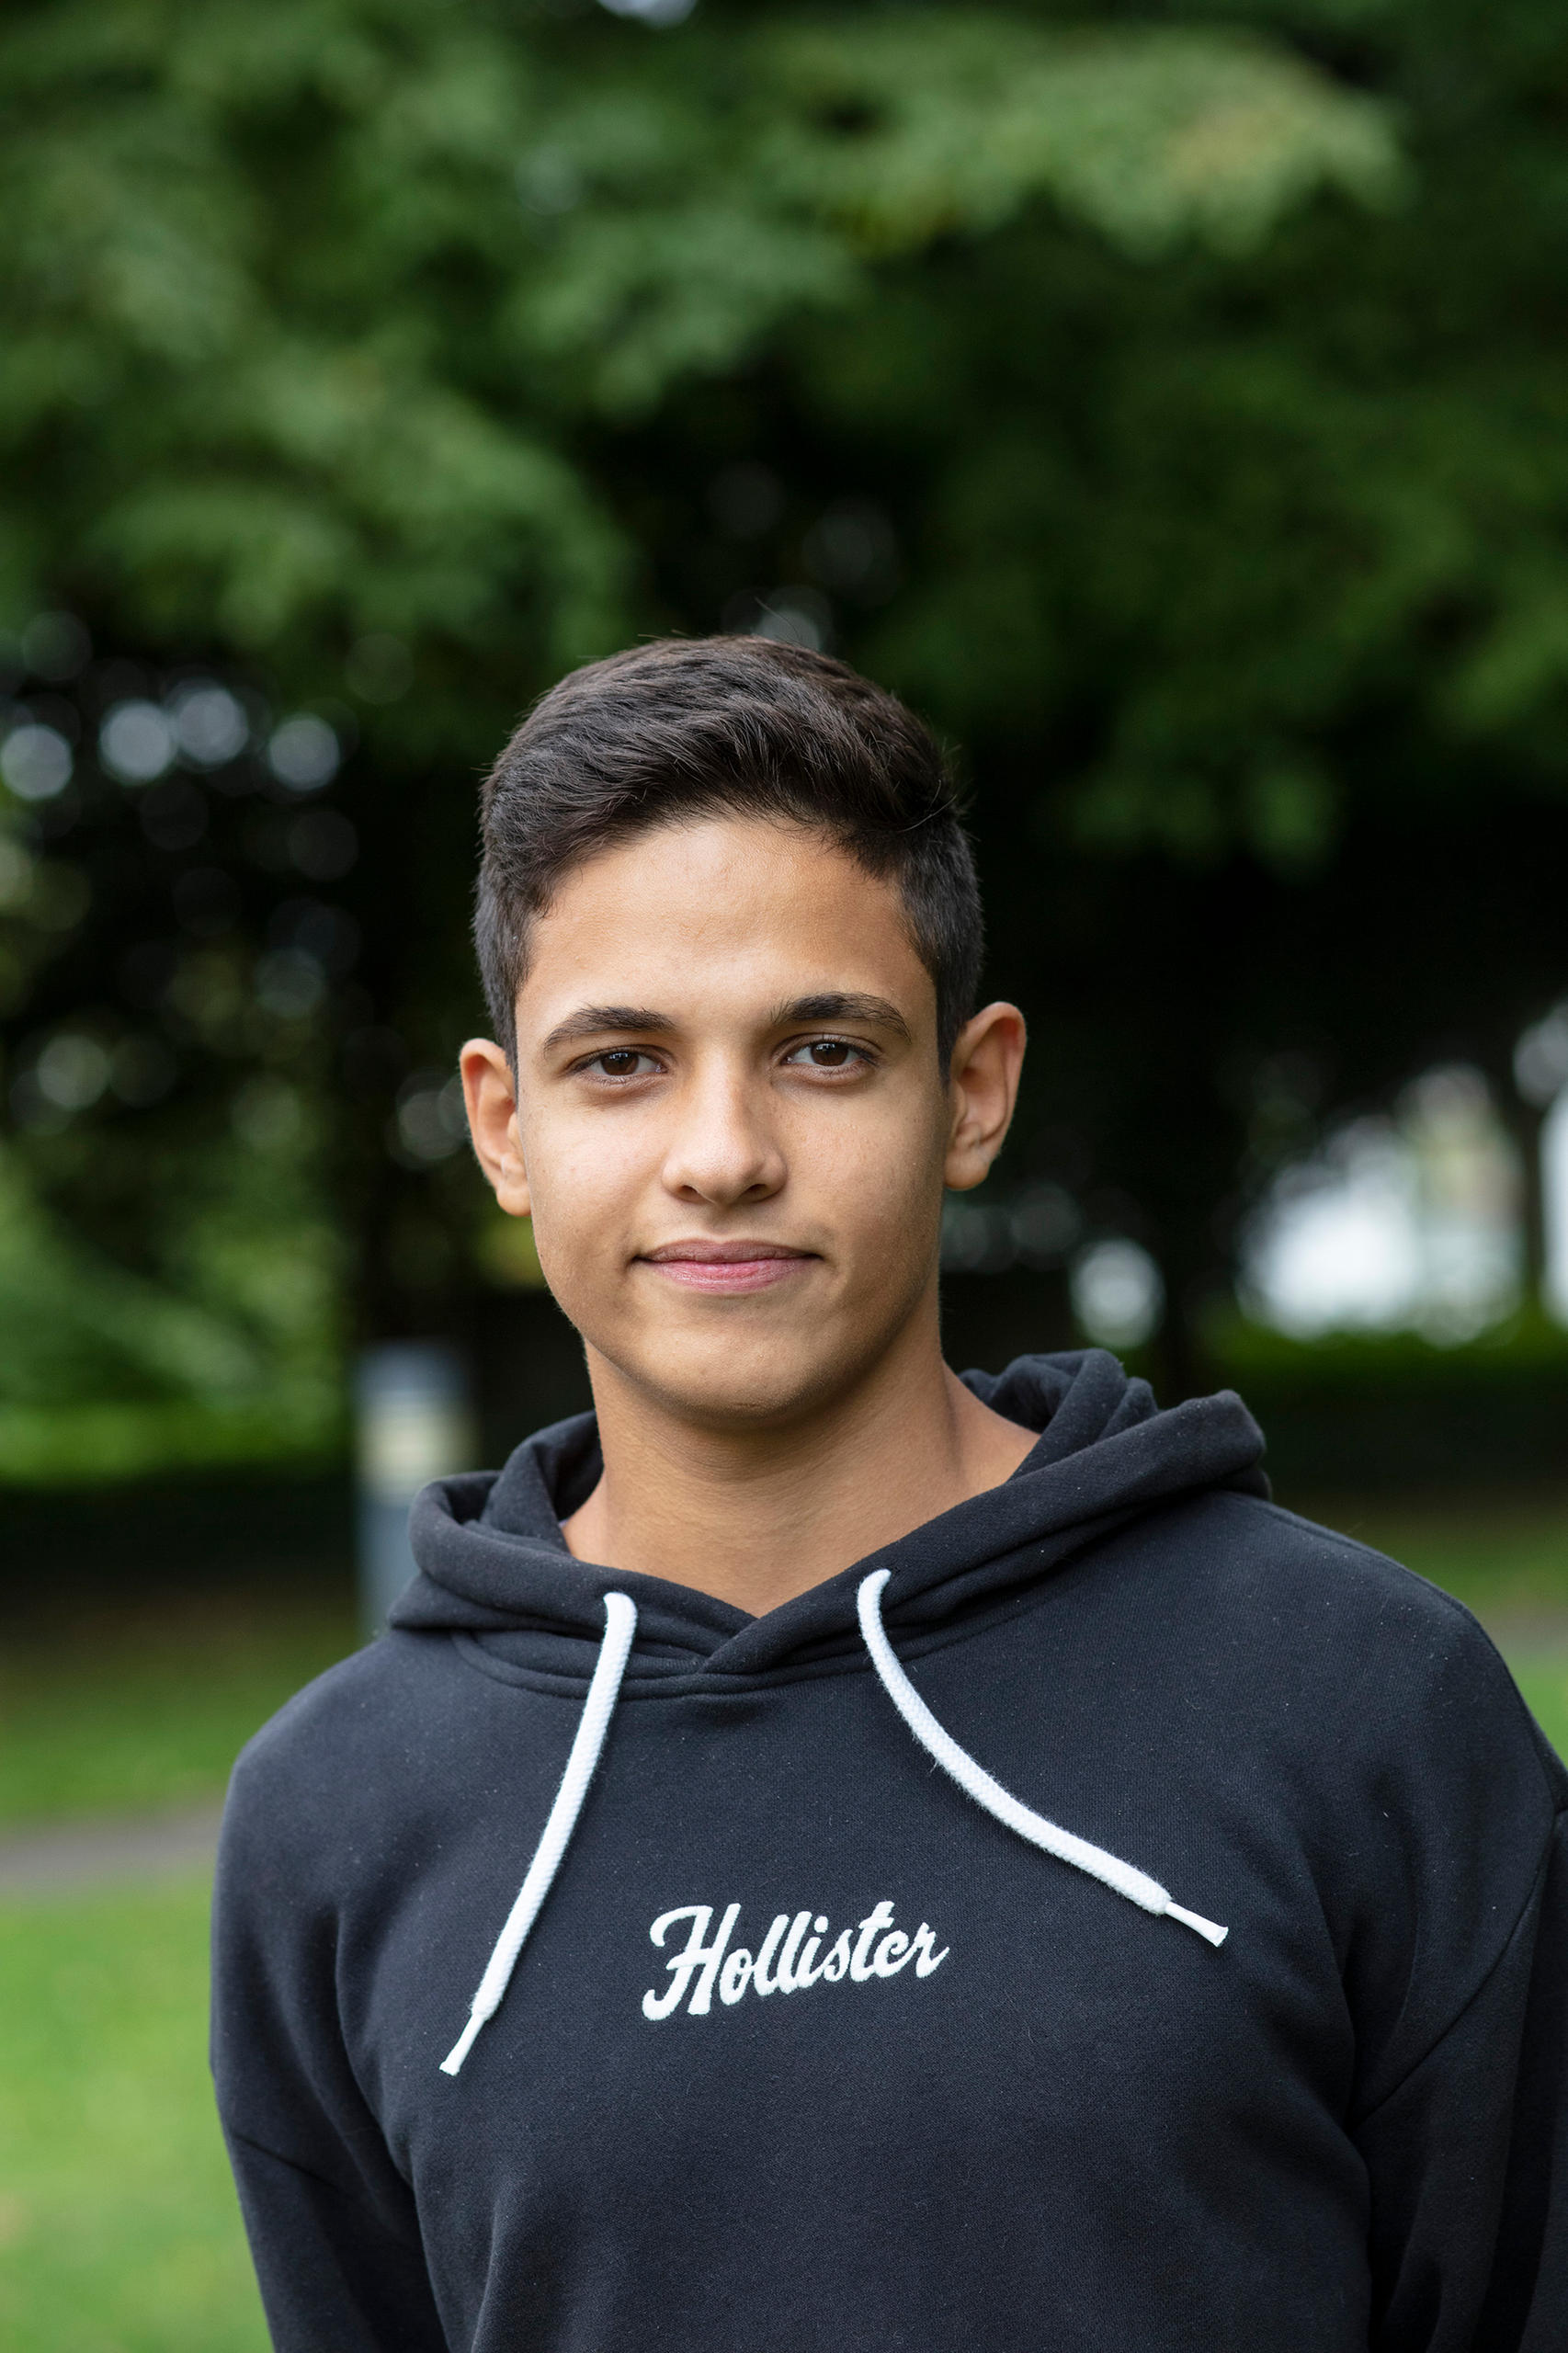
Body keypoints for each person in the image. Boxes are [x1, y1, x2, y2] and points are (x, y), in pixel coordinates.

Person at [212, 636, 1567, 2352]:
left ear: (972, 1089)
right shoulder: (335, 1819)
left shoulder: (1361, 1704)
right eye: (620, 1061)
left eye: (823, 1051)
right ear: (502, 1128)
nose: (721, 1152)